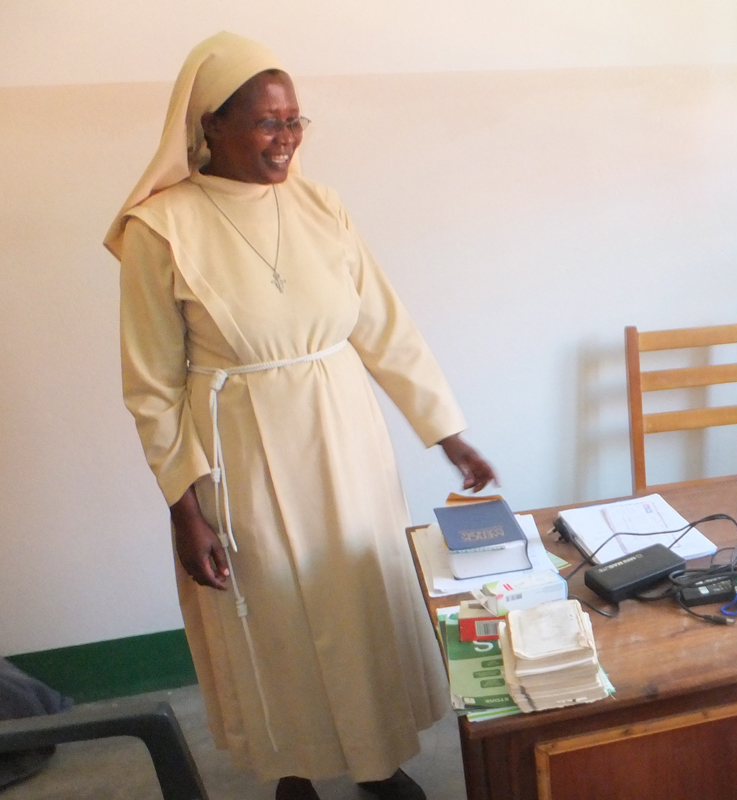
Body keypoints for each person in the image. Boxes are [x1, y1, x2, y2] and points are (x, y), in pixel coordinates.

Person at [104, 32, 495, 800]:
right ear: (210, 125)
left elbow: (384, 326)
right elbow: (150, 385)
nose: (286, 140)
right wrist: (183, 509)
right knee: (276, 616)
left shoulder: (321, 206)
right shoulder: (162, 228)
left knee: (360, 598)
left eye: (294, 122)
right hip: (240, 450)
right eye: (266, 122)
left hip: (344, 438)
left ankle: (380, 762)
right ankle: (296, 769)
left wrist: (449, 435)